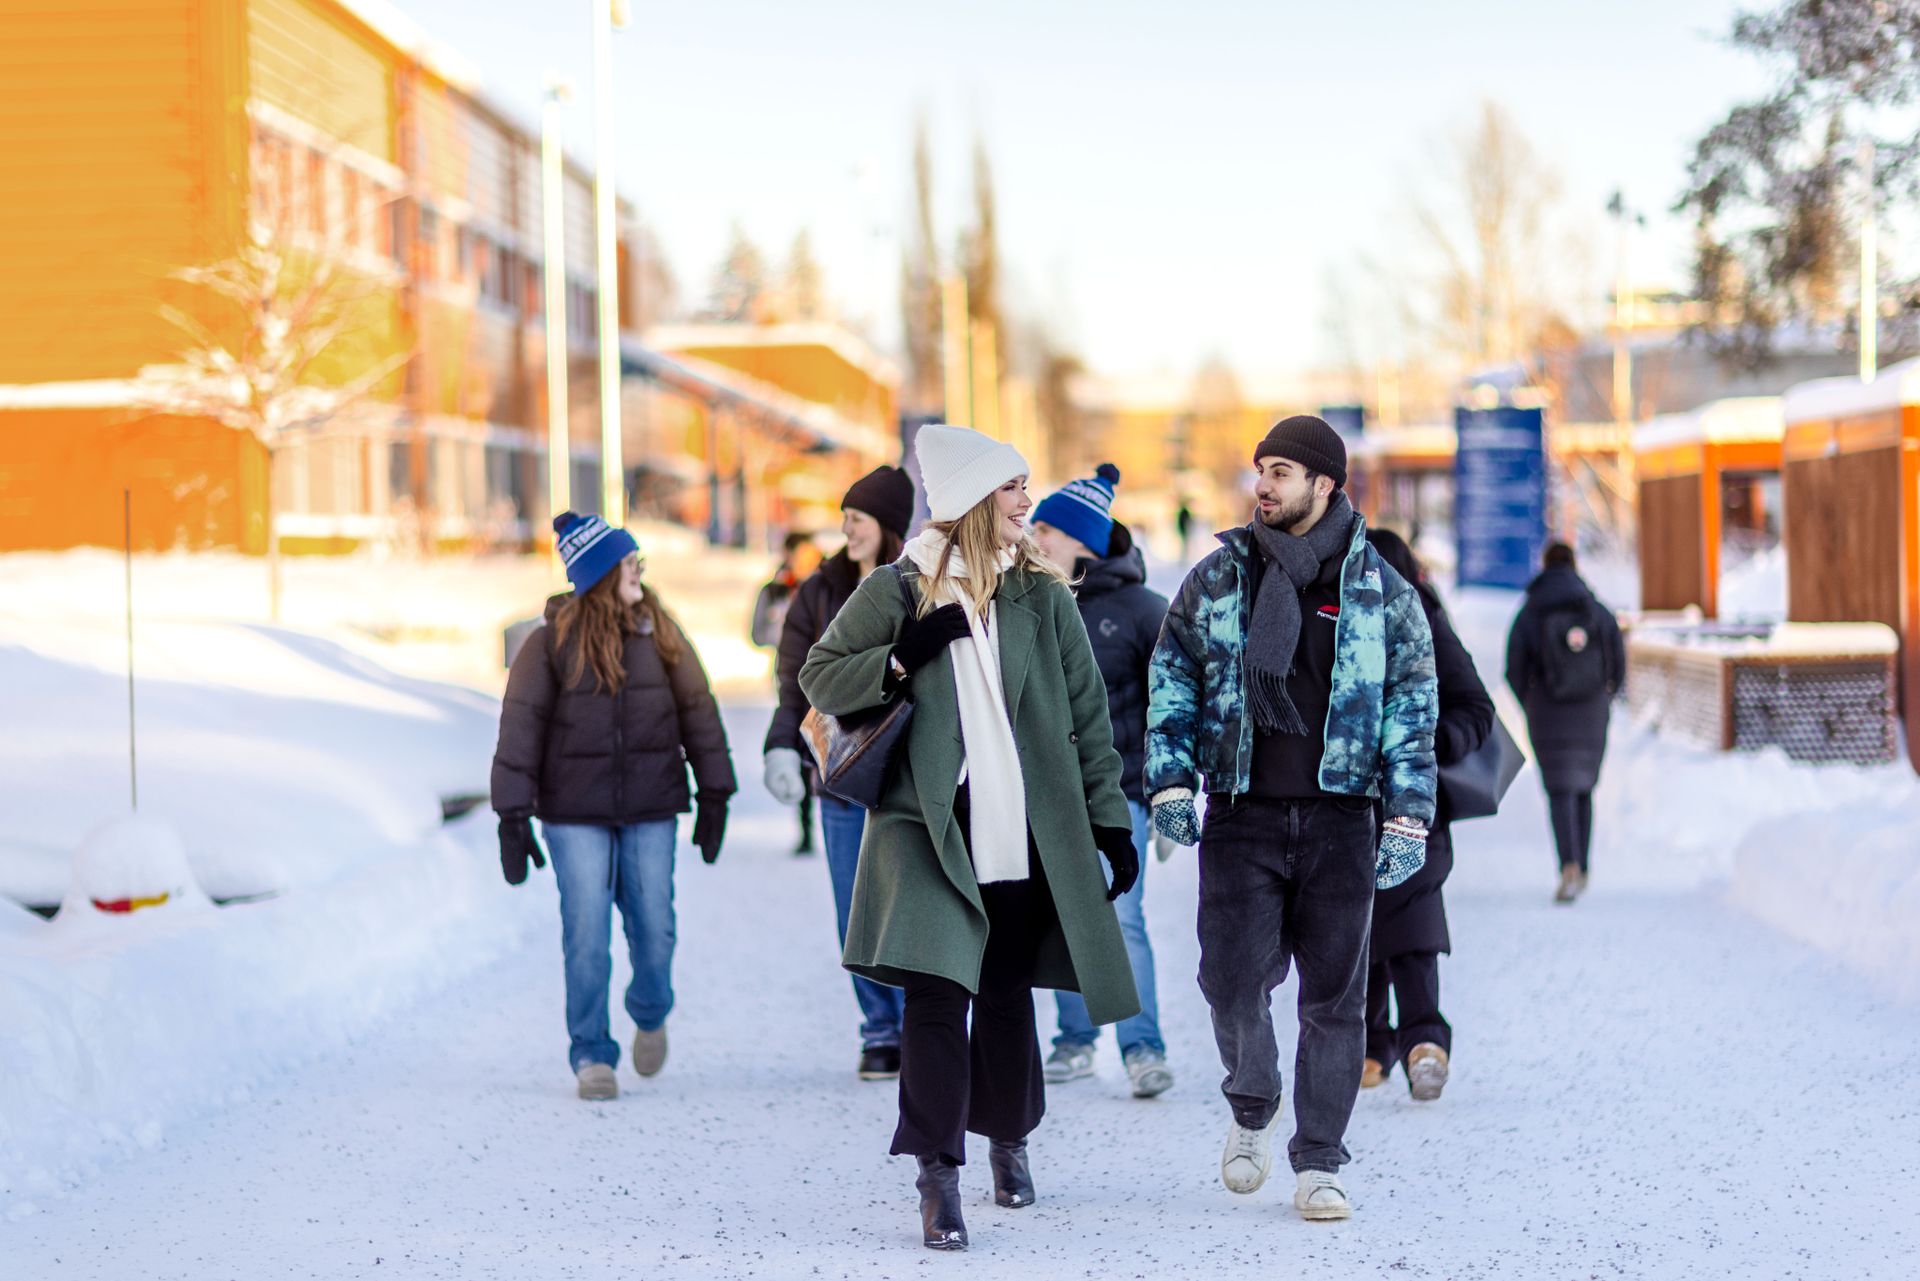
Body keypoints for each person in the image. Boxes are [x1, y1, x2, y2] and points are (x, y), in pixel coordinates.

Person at [800, 424, 1141, 1252]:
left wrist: (1109, 821)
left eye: (1026, 484)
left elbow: (1088, 720)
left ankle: (1009, 1138)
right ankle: (937, 1175)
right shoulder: (899, 587)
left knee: (1004, 994)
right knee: (934, 1000)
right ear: (968, 500)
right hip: (927, 827)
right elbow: (819, 674)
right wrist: (900, 656)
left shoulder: (1044, 594)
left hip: (1022, 826)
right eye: (1012, 486)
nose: (1028, 500)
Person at [1146, 415, 1438, 1222]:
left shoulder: (1381, 592)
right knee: (1229, 980)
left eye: (1281, 471)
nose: (1264, 485)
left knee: (1335, 1000)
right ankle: (1252, 1101)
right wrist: (1170, 780)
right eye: (1260, 470)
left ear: (1325, 484)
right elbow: (1172, 674)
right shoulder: (1218, 580)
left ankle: (1319, 1162)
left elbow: (1413, 705)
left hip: (1344, 820)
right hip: (1241, 814)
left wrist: (1408, 816)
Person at [491, 512, 736, 1101]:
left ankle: (650, 1009)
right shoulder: (549, 643)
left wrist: (715, 790)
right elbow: (520, 726)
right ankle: (592, 1055)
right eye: (629, 562)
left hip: (651, 806)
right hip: (574, 815)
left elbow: (698, 710)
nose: (639, 572)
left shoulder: (660, 630)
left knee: (655, 928)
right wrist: (512, 815)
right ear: (600, 572)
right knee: (586, 932)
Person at [762, 465, 916, 1080]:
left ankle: (920, 1023)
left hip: (906, 771)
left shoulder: (916, 584)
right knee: (854, 908)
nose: (847, 530)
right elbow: (792, 680)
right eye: (845, 519)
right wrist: (781, 745)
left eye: (858, 519)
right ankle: (881, 1029)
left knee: (910, 903)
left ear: (887, 525)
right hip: (841, 774)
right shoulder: (818, 590)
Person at [1029, 463, 1174, 1100]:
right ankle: (1075, 1039)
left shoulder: (1145, 613)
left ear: (1082, 540)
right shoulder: (1029, 603)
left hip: (1124, 795)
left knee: (1121, 919)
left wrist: (1175, 792)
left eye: (1046, 530)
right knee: (1058, 916)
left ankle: (1142, 1047)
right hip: (1043, 797)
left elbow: (1176, 707)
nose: (1032, 537)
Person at [1361, 529, 1494, 1102]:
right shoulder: (1327, 624)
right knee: (1353, 924)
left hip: (1416, 805)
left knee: (1410, 918)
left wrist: (1430, 740)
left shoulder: (1428, 624)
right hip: (1341, 806)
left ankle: (1422, 1044)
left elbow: (1475, 708)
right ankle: (1372, 1044)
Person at [1504, 541, 1625, 904]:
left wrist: (1532, 701)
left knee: (1559, 790)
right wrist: (1603, 696)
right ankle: (1583, 867)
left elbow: (1513, 668)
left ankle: (1567, 865)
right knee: (1584, 788)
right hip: (1591, 710)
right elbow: (1617, 665)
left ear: (1545, 565)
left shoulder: (1530, 611)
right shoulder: (1597, 609)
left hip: (1547, 711)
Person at [754, 531, 825, 855]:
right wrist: (779, 627)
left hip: (828, 676)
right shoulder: (774, 590)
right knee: (799, 743)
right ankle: (806, 824)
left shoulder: (833, 583)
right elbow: (756, 634)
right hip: (791, 675)